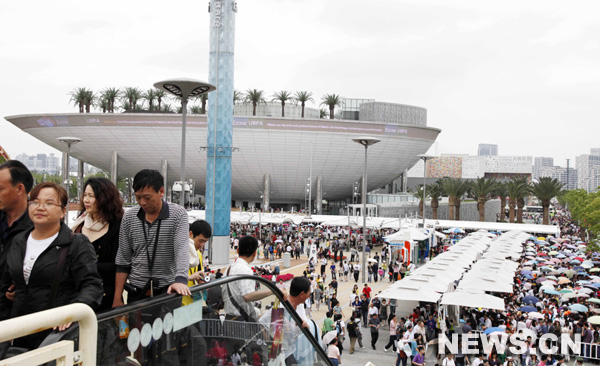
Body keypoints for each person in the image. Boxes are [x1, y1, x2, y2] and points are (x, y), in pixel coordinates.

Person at [0, 182, 103, 351]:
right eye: (35, 202)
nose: (40, 208)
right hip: (18, 331)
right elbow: (5, 286)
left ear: (63, 211)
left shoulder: (75, 244)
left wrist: (72, 313)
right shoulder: (18, 241)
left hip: (55, 333)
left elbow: (92, 286)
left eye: (49, 203)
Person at [113, 169, 191, 306]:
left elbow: (182, 250)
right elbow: (123, 259)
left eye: (147, 198)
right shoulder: (129, 217)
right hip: (137, 291)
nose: (142, 202)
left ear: (161, 192)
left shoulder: (178, 215)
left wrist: (181, 280)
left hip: (167, 289)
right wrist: (117, 297)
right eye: (138, 197)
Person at [70, 177, 123, 312]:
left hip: (106, 295)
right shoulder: (79, 224)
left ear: (105, 198)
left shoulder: (118, 226)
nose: (86, 200)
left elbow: (119, 265)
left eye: (91, 196)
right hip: (77, 293)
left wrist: (84, 266)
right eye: (85, 195)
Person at [0, 160, 34, 295]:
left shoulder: (39, 229)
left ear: (20, 189)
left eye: (0, 188)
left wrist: (27, 288)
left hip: (16, 310)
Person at [223, 236, 277, 320]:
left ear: (238, 250)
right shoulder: (246, 270)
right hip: (241, 320)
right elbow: (248, 296)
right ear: (254, 253)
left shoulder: (228, 269)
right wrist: (273, 290)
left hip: (229, 318)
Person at [182, 219, 212, 305]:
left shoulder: (198, 253)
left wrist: (201, 280)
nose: (202, 245)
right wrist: (189, 277)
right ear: (190, 234)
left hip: (193, 302)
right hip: (179, 302)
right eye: (200, 241)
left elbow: (198, 273)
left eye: (205, 242)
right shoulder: (179, 251)